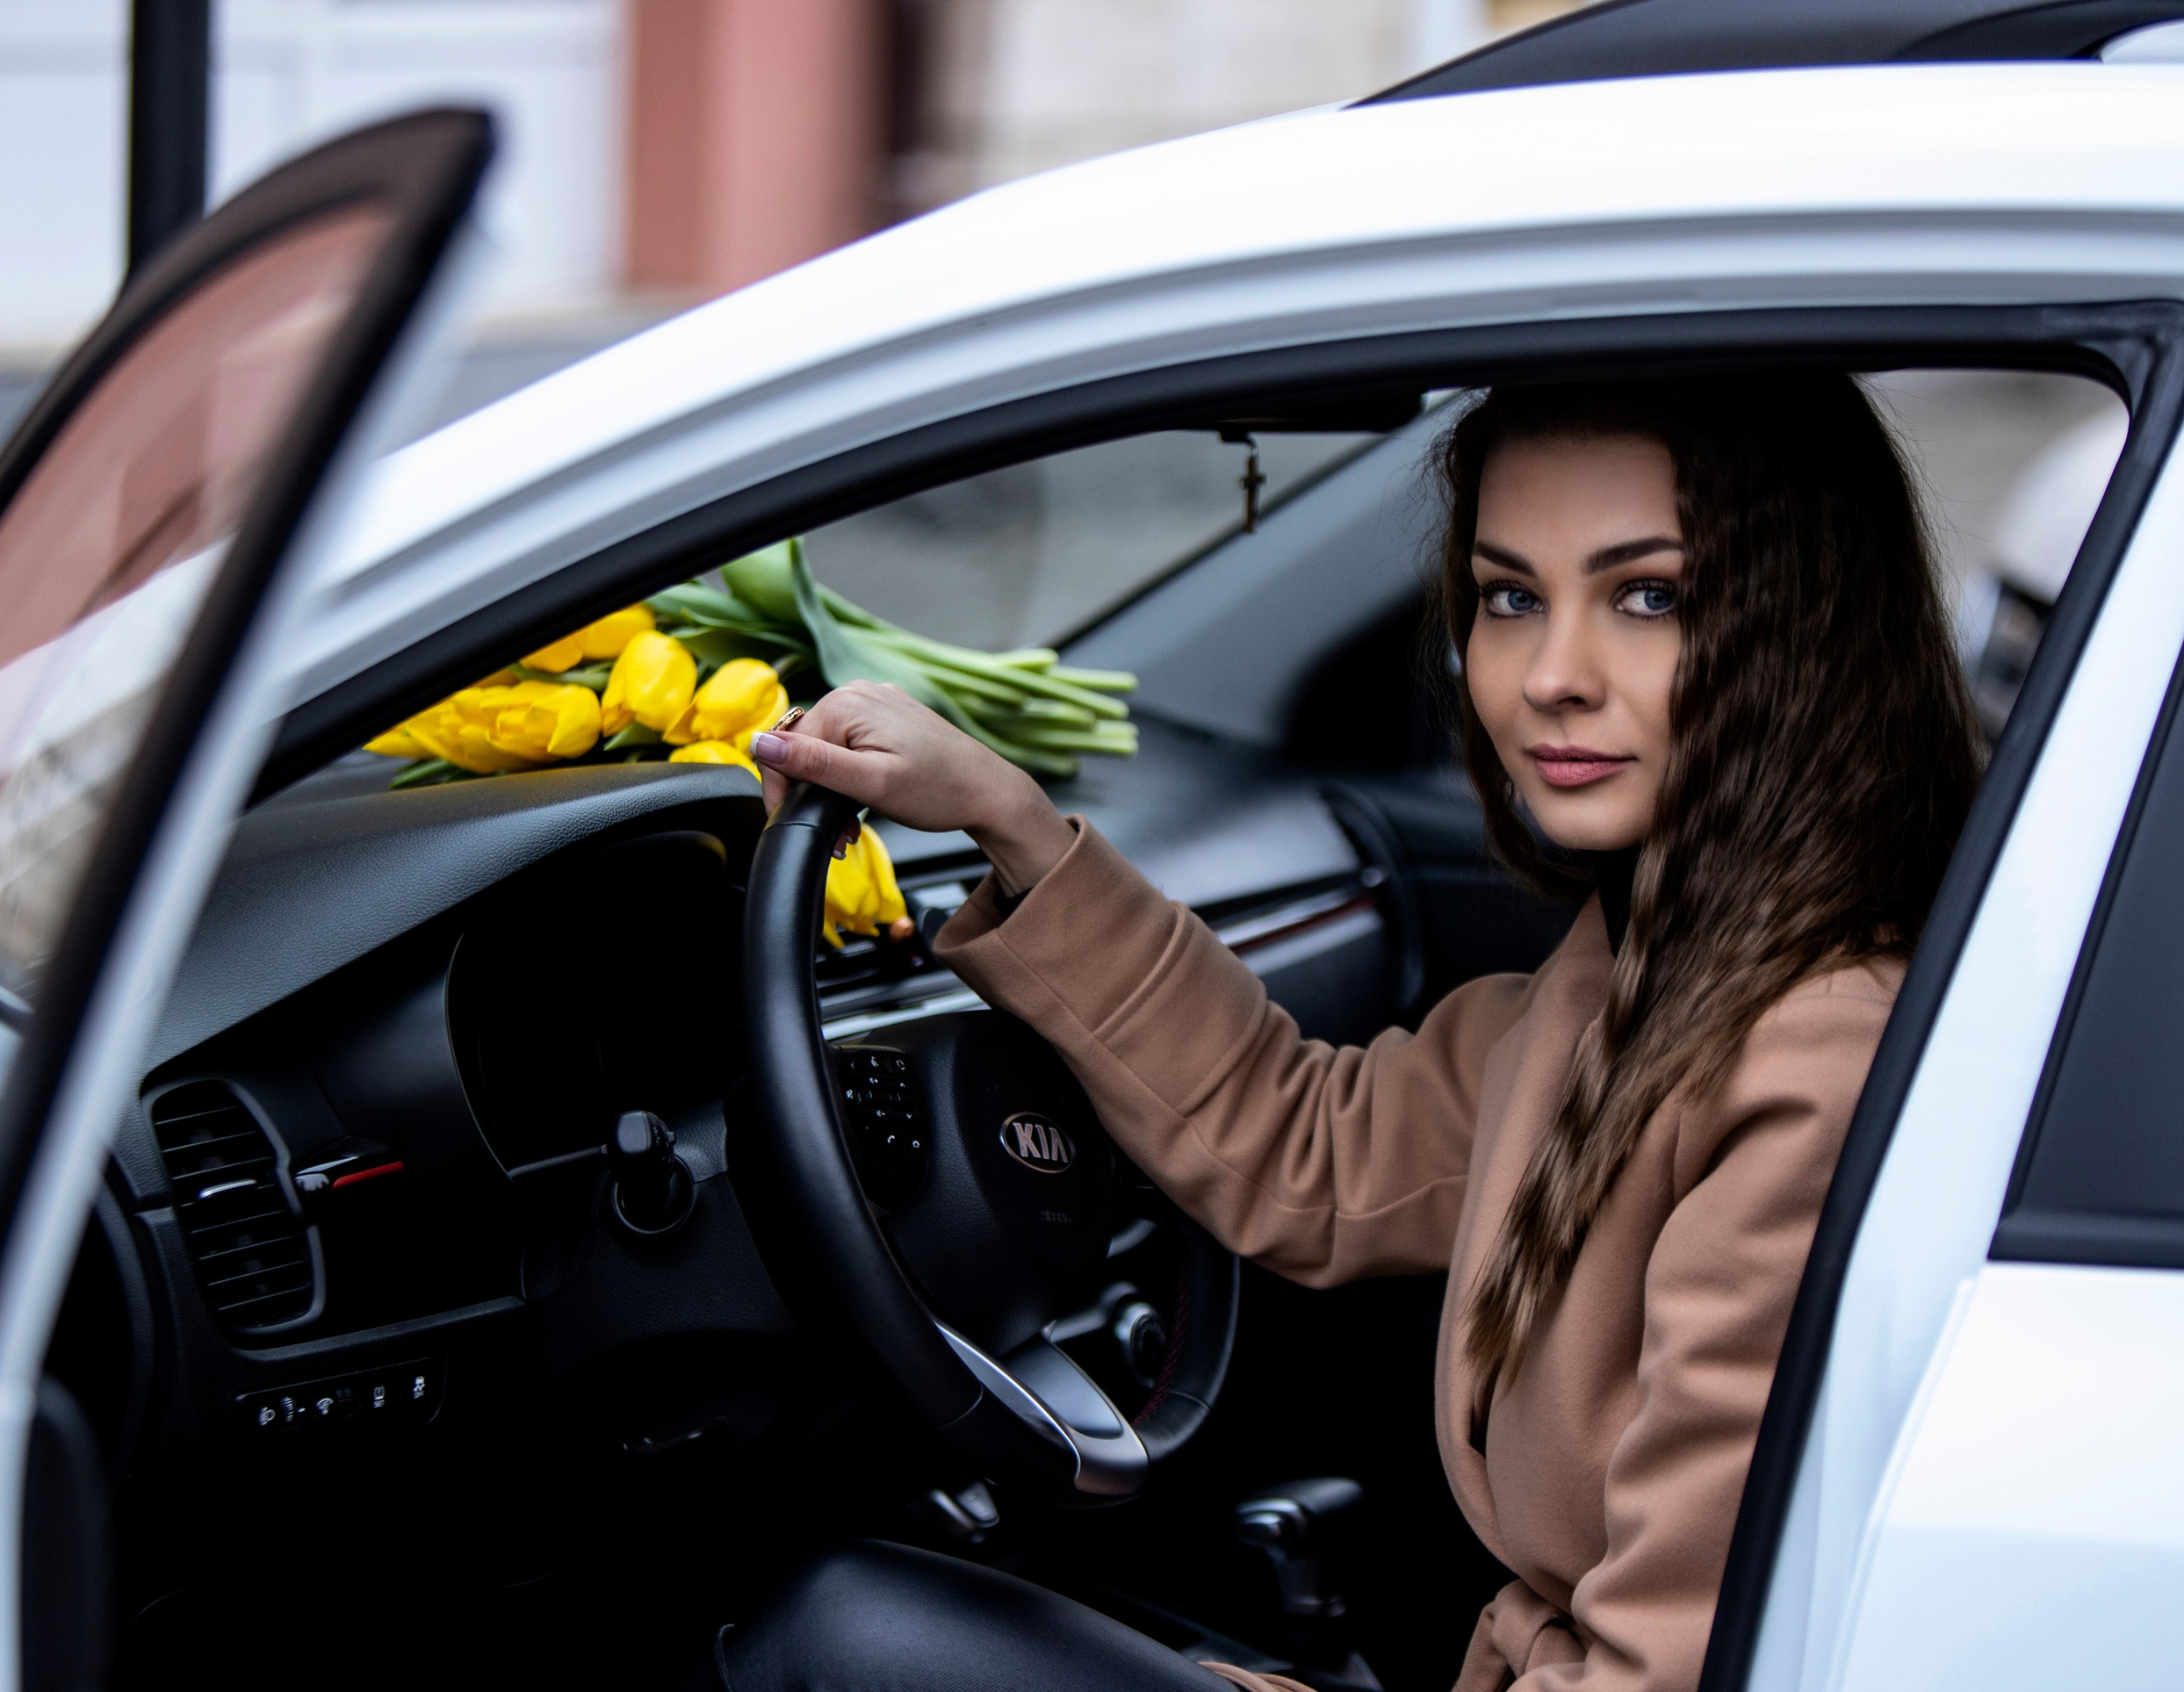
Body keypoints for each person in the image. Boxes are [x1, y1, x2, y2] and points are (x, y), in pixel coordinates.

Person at [715, 374, 1985, 1692]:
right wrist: (1012, 821)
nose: (1551, 676)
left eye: (1649, 596)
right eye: (1509, 597)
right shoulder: (1654, 960)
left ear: (1813, 633)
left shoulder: (1809, 1060)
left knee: (831, 1633)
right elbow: (1311, 1148)